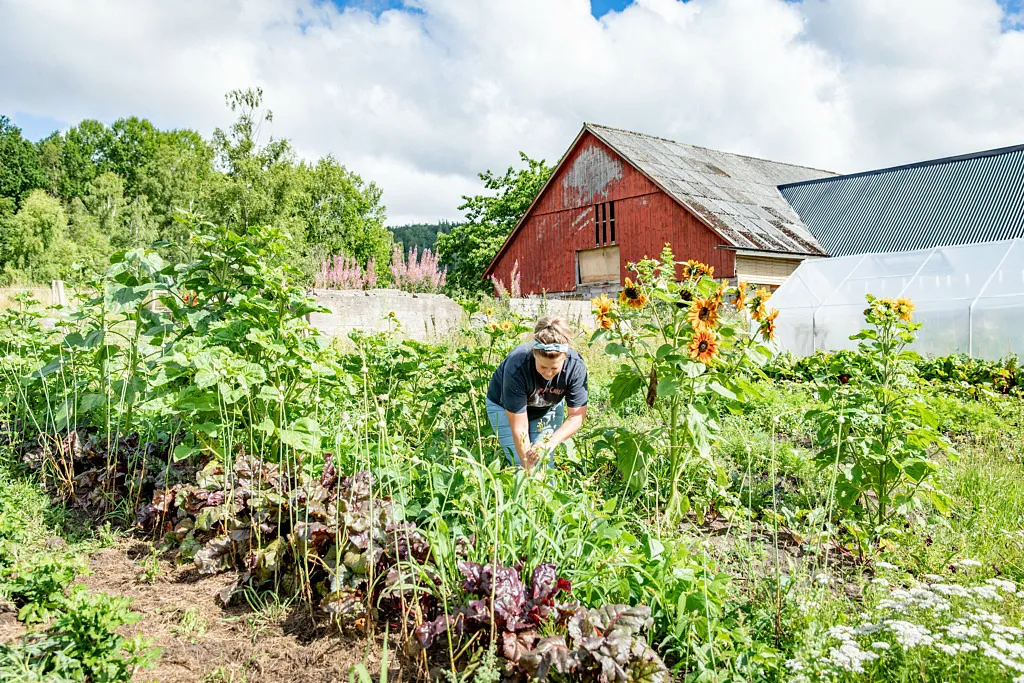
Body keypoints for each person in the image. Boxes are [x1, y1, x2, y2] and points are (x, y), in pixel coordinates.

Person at [485, 316, 588, 469]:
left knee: (544, 463)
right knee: (521, 464)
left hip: (547, 408)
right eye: (542, 367)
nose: (547, 373)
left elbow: (576, 416)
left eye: (554, 368)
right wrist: (528, 467)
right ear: (534, 354)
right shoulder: (517, 365)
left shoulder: (576, 367)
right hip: (504, 408)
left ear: (565, 357)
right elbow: (519, 428)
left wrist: (549, 443)